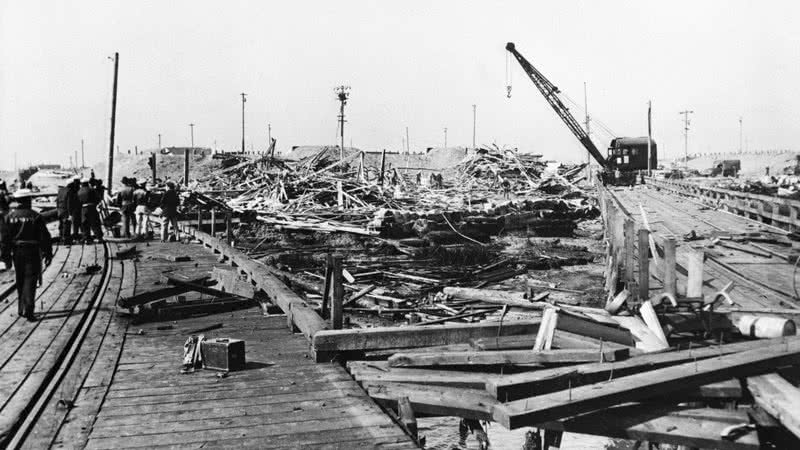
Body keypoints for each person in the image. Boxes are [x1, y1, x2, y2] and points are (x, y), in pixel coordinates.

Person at [0, 189, 53, 321]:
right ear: (28, 200)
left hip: (17, 252)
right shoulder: (35, 216)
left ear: (17, 201)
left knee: (20, 280)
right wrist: (48, 254)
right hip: (33, 251)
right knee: (30, 279)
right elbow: (45, 237)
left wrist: (5, 257)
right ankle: (29, 309)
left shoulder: (9, 217)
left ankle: (21, 309)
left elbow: (4, 239)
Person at [77, 178, 103, 242]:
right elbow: (98, 199)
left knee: (85, 224)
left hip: (83, 208)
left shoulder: (79, 191)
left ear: (81, 184)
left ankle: (87, 238)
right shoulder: (92, 190)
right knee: (95, 223)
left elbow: (78, 202)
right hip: (92, 208)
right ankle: (99, 238)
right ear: (87, 183)